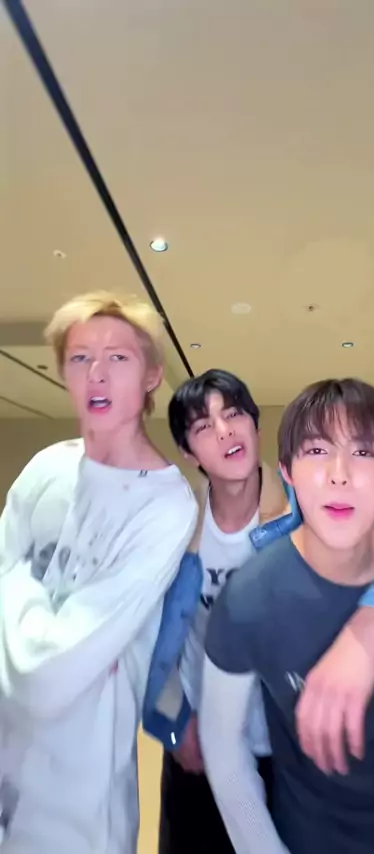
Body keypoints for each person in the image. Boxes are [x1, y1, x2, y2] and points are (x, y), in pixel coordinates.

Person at [143, 370, 374, 854]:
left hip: (284, 747)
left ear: (257, 427)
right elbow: (153, 633)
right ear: (188, 452)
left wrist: (366, 631)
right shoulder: (175, 528)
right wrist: (174, 720)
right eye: (203, 426)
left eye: (234, 414)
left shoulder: (312, 512)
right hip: (207, 731)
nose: (224, 431)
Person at [0, 291, 198, 854]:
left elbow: (48, 678)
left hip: (77, 803)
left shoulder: (165, 506)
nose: (97, 374)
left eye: (118, 357)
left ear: (152, 375)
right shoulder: (47, 466)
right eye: (80, 357)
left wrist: (16, 581)